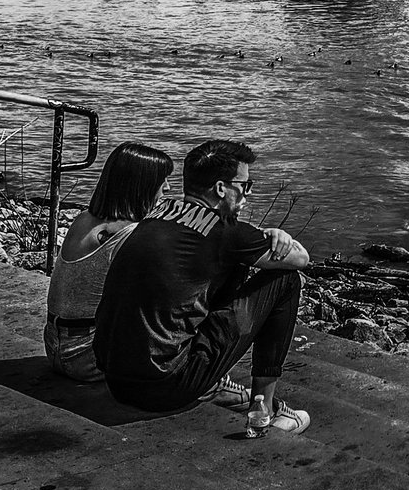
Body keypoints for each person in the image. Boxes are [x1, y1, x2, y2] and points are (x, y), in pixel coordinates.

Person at [93, 138, 310, 436]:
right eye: (244, 186)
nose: (247, 194)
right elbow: (300, 258)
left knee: (225, 269)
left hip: (115, 380)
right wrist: (273, 234)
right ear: (221, 189)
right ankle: (266, 410)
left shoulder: (155, 215)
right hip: (166, 387)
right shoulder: (226, 232)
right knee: (285, 280)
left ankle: (229, 387)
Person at [44, 141, 173, 382]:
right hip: (87, 356)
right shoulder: (128, 234)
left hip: (55, 345)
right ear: (142, 185)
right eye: (162, 180)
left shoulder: (84, 219)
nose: (167, 187)